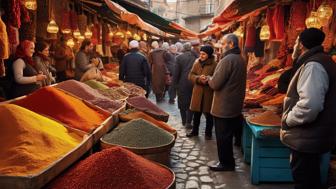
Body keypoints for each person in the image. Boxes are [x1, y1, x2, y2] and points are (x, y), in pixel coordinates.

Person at [280, 28, 336, 189]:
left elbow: (310, 105)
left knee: (305, 180)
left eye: (297, 41)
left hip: (308, 135)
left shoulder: (313, 66)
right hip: (313, 136)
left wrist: (288, 119)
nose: (295, 45)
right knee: (310, 178)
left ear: (302, 44)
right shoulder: (320, 61)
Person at [202, 34, 246, 171]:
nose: (221, 45)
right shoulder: (240, 58)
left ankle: (226, 163)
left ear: (231, 44)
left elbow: (215, 84)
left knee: (223, 137)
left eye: (223, 43)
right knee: (226, 136)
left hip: (224, 106)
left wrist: (209, 78)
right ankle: (228, 162)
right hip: (233, 104)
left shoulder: (227, 60)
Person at [187, 45, 216, 140]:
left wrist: (208, 79)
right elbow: (190, 75)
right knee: (196, 113)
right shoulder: (197, 63)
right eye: (201, 53)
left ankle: (208, 134)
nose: (201, 55)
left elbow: (216, 78)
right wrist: (198, 78)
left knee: (209, 115)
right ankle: (195, 131)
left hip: (208, 92)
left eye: (204, 54)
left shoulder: (215, 64)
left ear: (209, 54)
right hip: (198, 91)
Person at [173, 42, 196, 128]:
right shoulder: (196, 57)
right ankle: (189, 121)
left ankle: (184, 120)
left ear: (183, 48)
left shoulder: (179, 57)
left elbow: (176, 73)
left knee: (182, 102)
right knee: (191, 102)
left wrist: (174, 85)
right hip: (193, 82)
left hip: (182, 83)